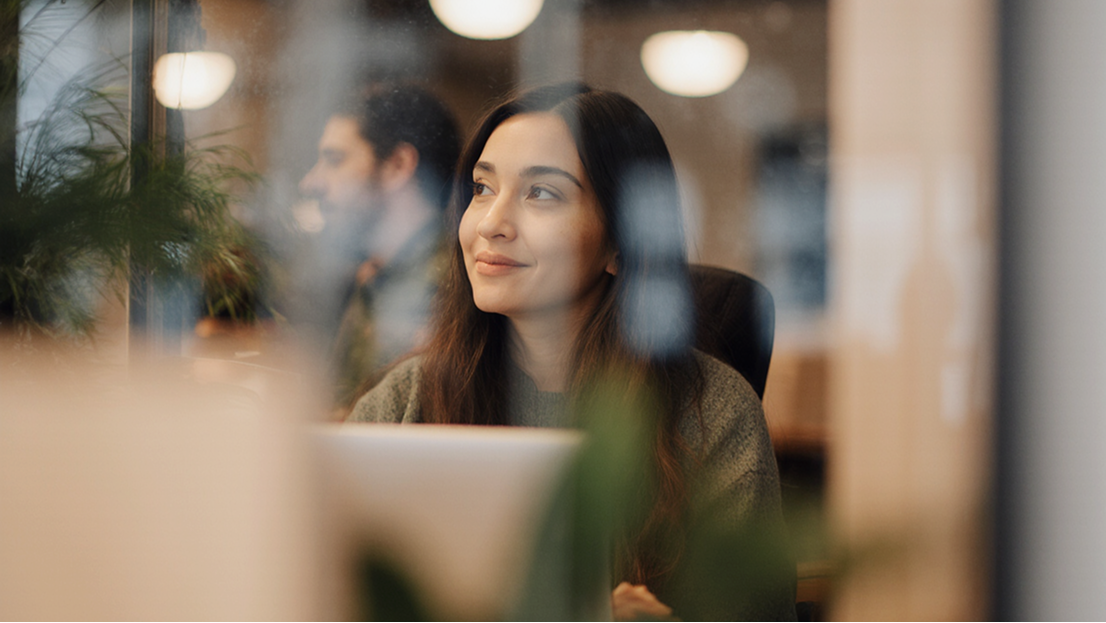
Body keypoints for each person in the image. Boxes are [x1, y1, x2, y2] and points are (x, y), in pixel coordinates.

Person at [348, 83, 795, 621]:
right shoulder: (406, 398)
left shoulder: (713, 414)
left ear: (620, 241)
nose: (491, 223)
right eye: (482, 188)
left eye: (543, 194)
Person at [297, 83, 461, 409]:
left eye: (335, 159)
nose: (310, 183)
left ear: (398, 164)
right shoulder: (378, 276)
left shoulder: (455, 294)